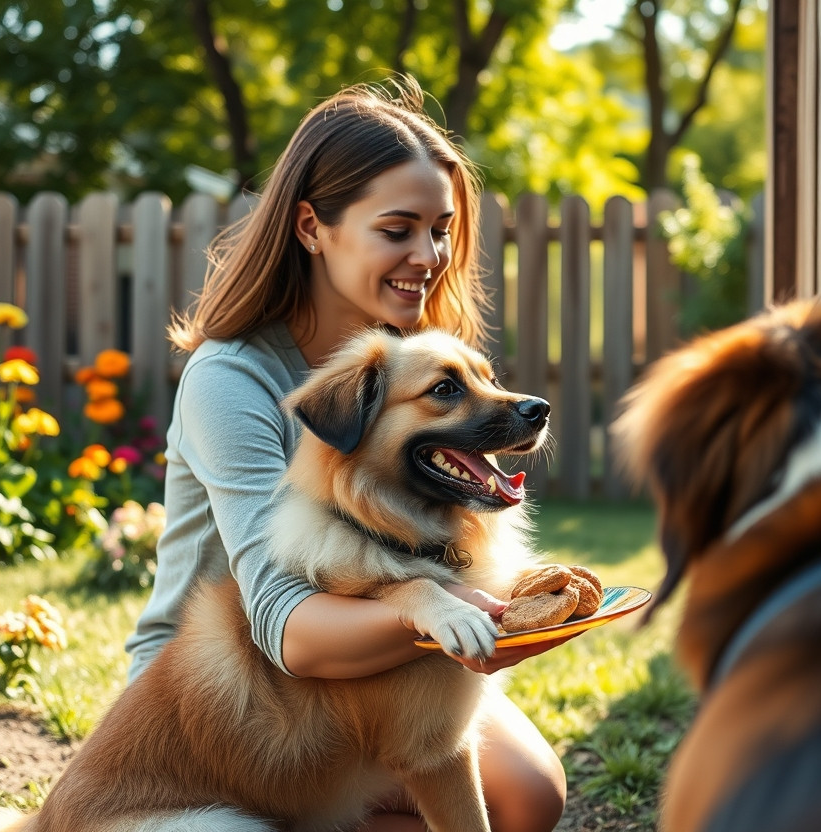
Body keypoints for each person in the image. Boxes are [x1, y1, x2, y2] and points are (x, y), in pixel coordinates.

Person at [123, 77, 569, 832]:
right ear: (311, 227)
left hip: (369, 646)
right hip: (244, 691)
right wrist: (430, 611)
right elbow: (281, 619)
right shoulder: (230, 378)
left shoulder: (404, 360)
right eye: (397, 229)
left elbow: (417, 539)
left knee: (529, 798)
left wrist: (500, 606)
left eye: (440, 229)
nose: (427, 255)